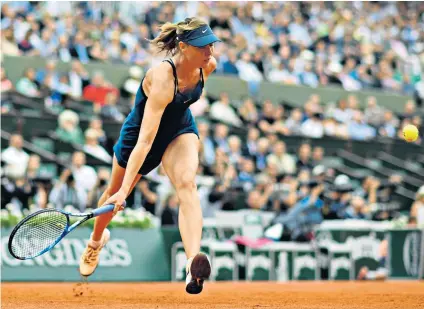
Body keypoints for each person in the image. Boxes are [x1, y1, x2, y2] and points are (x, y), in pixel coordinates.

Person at [79, 17, 220, 295]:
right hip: (141, 135)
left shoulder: (208, 67)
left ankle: (192, 263)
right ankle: (95, 242)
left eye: (211, 44)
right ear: (183, 46)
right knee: (115, 190)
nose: (210, 52)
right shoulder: (162, 77)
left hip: (179, 128)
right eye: (203, 46)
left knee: (187, 183)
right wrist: (124, 193)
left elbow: (181, 108)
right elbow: (144, 140)